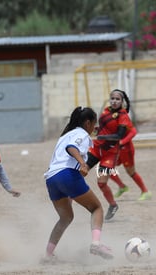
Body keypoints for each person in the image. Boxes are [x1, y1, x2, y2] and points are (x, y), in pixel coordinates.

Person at [44, 106, 113, 260]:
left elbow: (65, 149)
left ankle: (48, 254)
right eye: (93, 124)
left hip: (51, 179)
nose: (94, 128)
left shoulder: (64, 135)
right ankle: (96, 244)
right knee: (97, 208)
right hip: (67, 175)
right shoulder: (81, 134)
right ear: (87, 123)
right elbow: (72, 148)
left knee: (65, 217)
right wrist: (82, 163)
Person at [86, 89, 150, 221]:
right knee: (81, 171)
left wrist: (102, 136)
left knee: (102, 183)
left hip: (111, 153)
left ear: (122, 101)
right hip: (97, 149)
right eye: (112, 98)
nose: (114, 101)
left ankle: (113, 204)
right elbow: (104, 128)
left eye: (117, 99)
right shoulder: (105, 111)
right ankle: (69, 197)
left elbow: (120, 135)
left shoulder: (123, 116)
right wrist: (93, 130)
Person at [110, 125, 152, 201]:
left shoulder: (122, 116)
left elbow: (133, 131)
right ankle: (122, 187)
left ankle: (145, 192)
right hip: (116, 148)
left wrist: (123, 141)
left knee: (131, 172)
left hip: (126, 149)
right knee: (105, 168)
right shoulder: (108, 115)